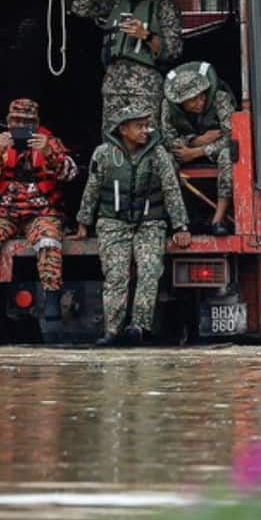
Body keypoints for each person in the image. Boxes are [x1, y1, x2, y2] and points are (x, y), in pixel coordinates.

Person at [73, 97, 191, 347]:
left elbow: (171, 190)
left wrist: (181, 226)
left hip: (150, 223)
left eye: (146, 125)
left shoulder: (159, 155)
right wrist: (83, 222)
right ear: (122, 129)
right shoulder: (104, 154)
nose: (145, 130)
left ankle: (138, 326)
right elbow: (92, 189)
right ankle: (112, 330)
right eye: (138, 126)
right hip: (113, 223)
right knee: (115, 275)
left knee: (149, 271)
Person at [0, 96, 77, 326]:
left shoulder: (49, 142)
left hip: (41, 211)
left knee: (49, 240)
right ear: (8, 122)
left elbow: (70, 174)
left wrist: (49, 152)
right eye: (17, 122)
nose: (22, 128)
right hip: (6, 211)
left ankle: (51, 300)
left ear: (36, 123)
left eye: (27, 123)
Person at [69, 0, 183, 130]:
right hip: (113, 83)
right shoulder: (117, 1)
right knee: (112, 136)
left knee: (146, 136)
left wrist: (146, 36)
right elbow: (80, 8)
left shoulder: (164, 6)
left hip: (146, 85)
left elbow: (173, 51)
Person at [161, 60, 238, 236]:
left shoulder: (220, 98)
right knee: (164, 159)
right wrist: (194, 141)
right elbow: (167, 138)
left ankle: (218, 219)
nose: (199, 102)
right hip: (184, 151)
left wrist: (199, 151)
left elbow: (231, 137)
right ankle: (179, 222)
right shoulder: (169, 107)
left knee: (229, 155)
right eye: (192, 100)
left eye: (201, 96)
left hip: (217, 150)